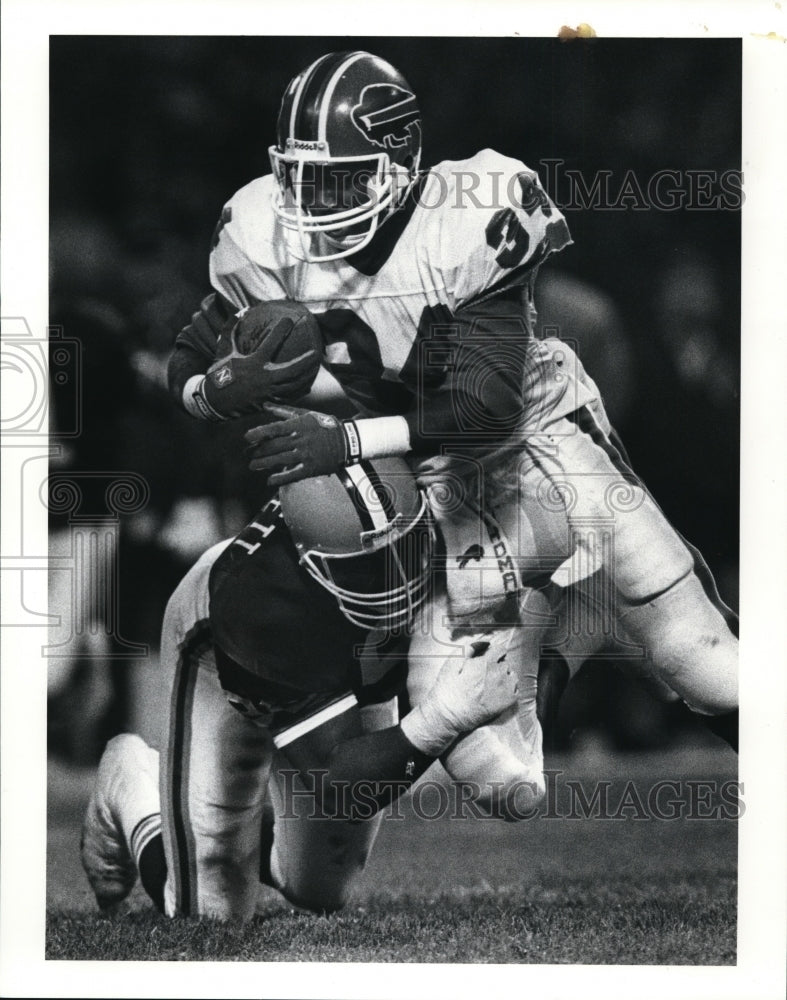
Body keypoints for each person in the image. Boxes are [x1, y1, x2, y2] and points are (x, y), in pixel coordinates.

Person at [167, 51, 737, 770]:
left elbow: (488, 408)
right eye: (299, 178)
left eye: (337, 178)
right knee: (499, 778)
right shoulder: (258, 233)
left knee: (695, 658)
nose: (313, 202)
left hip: (538, 437)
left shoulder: (465, 217)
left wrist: (344, 443)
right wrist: (217, 390)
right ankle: (553, 640)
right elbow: (185, 361)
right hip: (417, 476)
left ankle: (579, 622)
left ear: (398, 160)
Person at [81, 458, 537, 921]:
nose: (392, 579)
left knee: (320, 887)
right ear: (314, 567)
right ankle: (133, 782)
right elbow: (338, 784)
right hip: (222, 653)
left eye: (402, 549)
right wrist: (445, 715)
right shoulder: (263, 615)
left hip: (349, 651)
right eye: (369, 570)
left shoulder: (440, 509)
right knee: (211, 909)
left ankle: (213, 824)